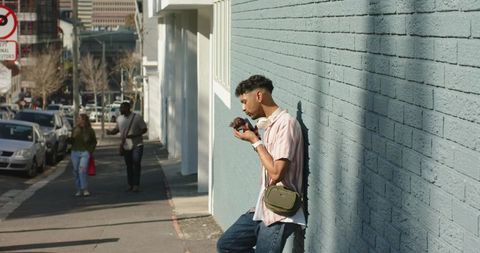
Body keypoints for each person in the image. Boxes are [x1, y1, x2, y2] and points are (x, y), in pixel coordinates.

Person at [217, 75, 305, 252]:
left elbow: (276, 173)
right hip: (263, 207)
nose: (243, 108)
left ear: (258, 96)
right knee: (227, 245)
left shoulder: (285, 124)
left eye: (244, 101)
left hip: (280, 212)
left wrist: (255, 142)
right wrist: (255, 136)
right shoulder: (270, 125)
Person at [106, 101, 147, 192]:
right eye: (120, 108)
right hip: (126, 146)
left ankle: (136, 185)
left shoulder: (137, 118)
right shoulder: (119, 119)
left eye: (122, 108)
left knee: (136, 164)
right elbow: (117, 129)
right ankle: (130, 184)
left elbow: (144, 129)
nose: (120, 109)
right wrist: (110, 132)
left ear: (128, 108)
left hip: (137, 145)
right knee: (129, 165)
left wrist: (135, 135)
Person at [70, 113, 97, 197]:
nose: (78, 120)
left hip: (85, 152)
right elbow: (71, 142)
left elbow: (94, 141)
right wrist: (73, 136)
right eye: (78, 119)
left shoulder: (90, 130)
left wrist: (90, 151)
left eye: (80, 119)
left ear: (85, 120)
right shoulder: (75, 129)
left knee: (82, 170)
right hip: (75, 152)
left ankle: (84, 189)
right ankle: (78, 189)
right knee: (76, 171)